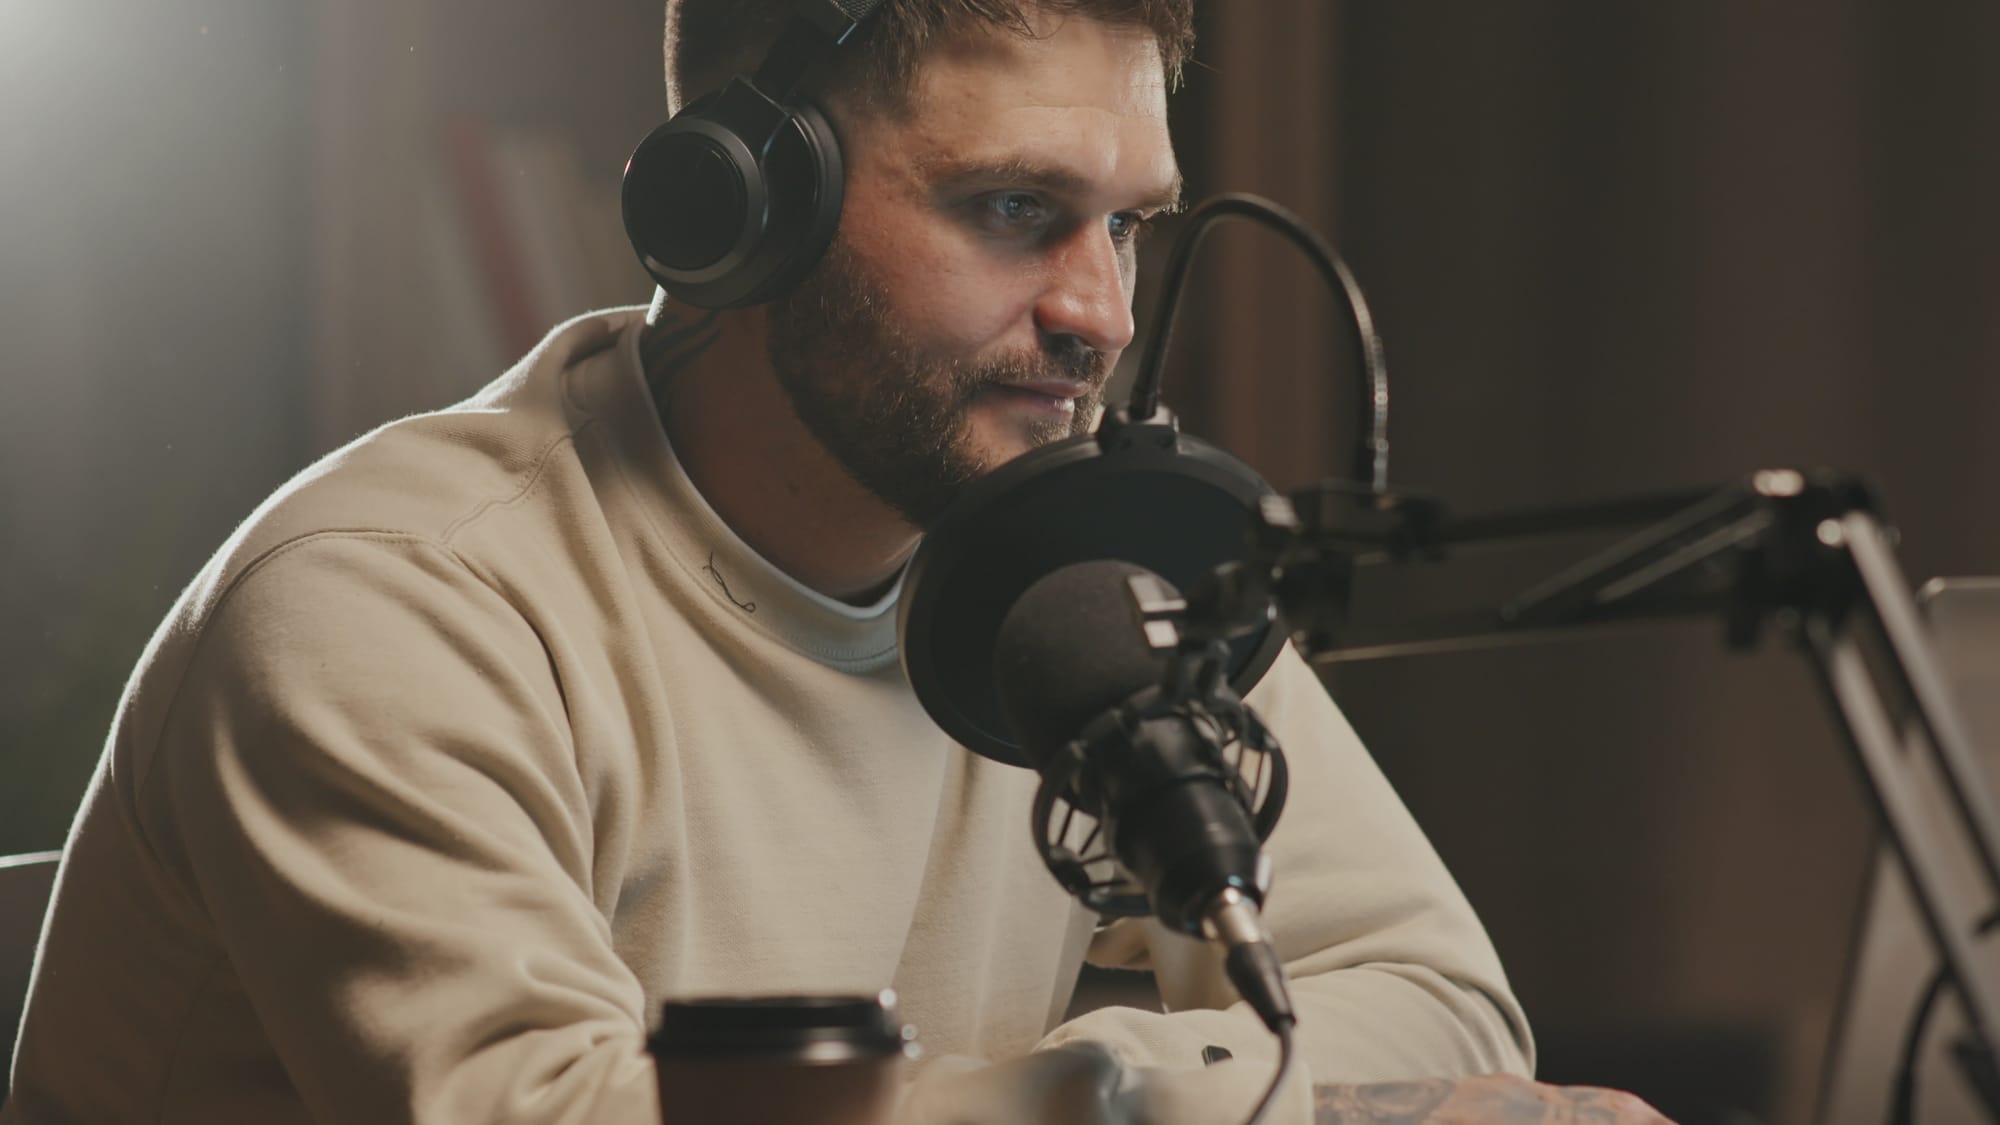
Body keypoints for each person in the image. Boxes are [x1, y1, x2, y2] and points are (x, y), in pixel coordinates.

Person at [4, 2, 1670, 1122]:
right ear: (738, 209)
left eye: (1132, 224)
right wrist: (1125, 1092)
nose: (1100, 312)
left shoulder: (1086, 575)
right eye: (1017, 208)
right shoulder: (392, 605)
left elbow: (1440, 1006)